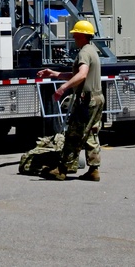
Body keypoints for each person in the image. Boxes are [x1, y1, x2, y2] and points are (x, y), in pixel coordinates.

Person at [37, 19, 104, 181]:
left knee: (75, 134)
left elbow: (82, 75)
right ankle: (93, 170)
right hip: (97, 98)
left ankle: (62, 169)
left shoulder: (84, 53)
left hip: (86, 100)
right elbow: (77, 74)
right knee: (91, 133)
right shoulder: (91, 50)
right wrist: (54, 74)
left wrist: (62, 88)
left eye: (75, 34)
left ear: (82, 35)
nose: (73, 37)